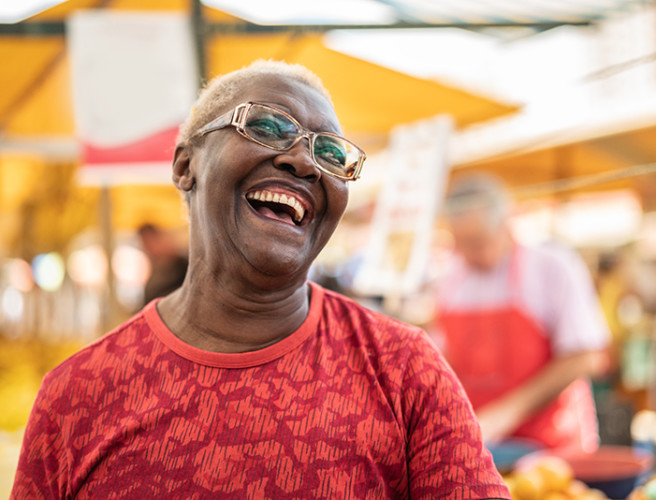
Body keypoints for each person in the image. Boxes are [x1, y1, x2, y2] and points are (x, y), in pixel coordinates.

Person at [12, 61, 510, 499]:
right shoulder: (76, 397)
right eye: (268, 127)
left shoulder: (404, 372)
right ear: (186, 166)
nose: (304, 162)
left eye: (332, 155)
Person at [434, 173, 611, 453]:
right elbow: (442, 354)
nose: (468, 253)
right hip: (480, 445)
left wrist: (508, 412)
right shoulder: (450, 278)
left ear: (505, 224)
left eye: (478, 242)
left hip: (553, 445)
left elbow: (586, 357)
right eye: (461, 243)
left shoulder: (552, 266)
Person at [137, 223, 189, 306]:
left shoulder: (184, 265)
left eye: (149, 242)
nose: (147, 248)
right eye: (144, 244)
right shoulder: (156, 269)